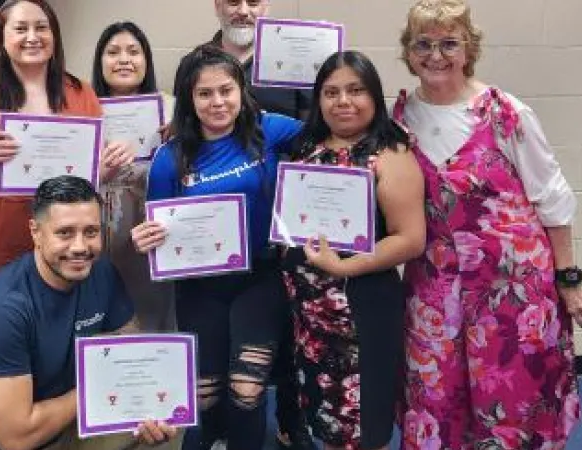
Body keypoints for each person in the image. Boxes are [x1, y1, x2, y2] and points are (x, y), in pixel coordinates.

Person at [393, 1, 582, 448]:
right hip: (434, 288)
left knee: (512, 399)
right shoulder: (399, 121)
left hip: (513, 288)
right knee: (436, 398)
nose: (435, 55)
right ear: (408, 51)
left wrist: (569, 279)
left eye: (448, 43)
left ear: (468, 49)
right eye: (423, 43)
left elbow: (553, 201)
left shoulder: (506, 114)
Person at [131, 44, 303, 450]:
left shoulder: (271, 130)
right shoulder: (169, 159)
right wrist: (146, 239)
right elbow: (157, 229)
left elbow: (329, 134)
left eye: (226, 90)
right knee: (205, 394)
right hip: (198, 286)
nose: (218, 102)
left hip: (259, 278)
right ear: (189, 99)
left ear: (241, 90)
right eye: (204, 93)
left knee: (247, 389)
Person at [0, 176, 178, 450]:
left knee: (166, 425)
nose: (80, 247)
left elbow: (128, 342)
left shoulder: (100, 271)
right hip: (4, 443)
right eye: (64, 233)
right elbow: (16, 438)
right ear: (35, 232)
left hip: (66, 424)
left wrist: (143, 402)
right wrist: (104, 386)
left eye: (91, 232)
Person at [0, 0, 135, 339]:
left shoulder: (80, 94)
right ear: (2, 38)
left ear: (55, 36)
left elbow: (86, 182)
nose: (32, 37)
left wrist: (105, 170)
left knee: (52, 351)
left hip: (59, 250)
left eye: (41, 27)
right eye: (20, 28)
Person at [280, 51, 425, 450]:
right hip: (308, 313)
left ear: (374, 97)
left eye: (355, 90)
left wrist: (345, 268)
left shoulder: (390, 154)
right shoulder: (307, 145)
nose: (343, 101)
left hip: (361, 309)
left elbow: (410, 238)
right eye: (331, 92)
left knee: (363, 426)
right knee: (326, 423)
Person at [207, 2, 313, 446]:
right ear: (217, 5)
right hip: (219, 237)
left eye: (254, 0)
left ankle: (291, 422)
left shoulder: (294, 61)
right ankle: (216, 430)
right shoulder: (202, 63)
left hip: (284, 229)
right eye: (234, 0)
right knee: (219, 344)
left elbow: (315, 136)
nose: (244, 10)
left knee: (290, 337)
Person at [91, 21, 176, 332]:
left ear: (146, 61)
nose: (124, 59)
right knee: (104, 310)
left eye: (133, 52)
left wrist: (177, 144)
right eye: (113, 52)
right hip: (100, 224)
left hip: (150, 224)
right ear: (100, 62)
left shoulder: (172, 109)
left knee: (153, 311)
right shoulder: (83, 109)